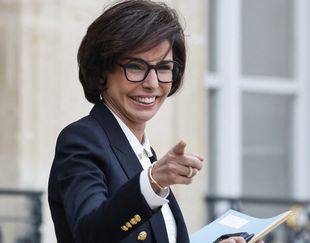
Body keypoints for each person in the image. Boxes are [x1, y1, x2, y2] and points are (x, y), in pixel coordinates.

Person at [48, 1, 263, 242]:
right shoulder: (82, 140)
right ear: (101, 72)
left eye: (163, 68)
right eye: (136, 67)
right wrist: (152, 181)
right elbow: (90, 234)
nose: (152, 83)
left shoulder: (143, 153)